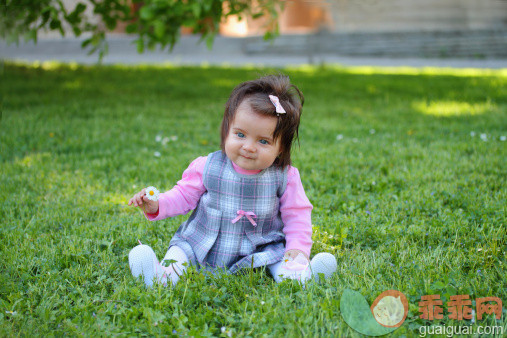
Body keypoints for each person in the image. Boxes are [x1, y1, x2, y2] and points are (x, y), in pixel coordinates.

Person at [127, 74, 337, 287]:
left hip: (260, 246)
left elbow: (297, 215)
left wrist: (297, 250)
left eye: (263, 141)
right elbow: (183, 196)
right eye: (240, 135)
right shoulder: (207, 166)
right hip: (202, 241)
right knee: (180, 254)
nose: (249, 146)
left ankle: (299, 276)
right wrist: (157, 203)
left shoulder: (285, 176)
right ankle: (160, 277)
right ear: (228, 129)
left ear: (280, 148)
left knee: (281, 259)